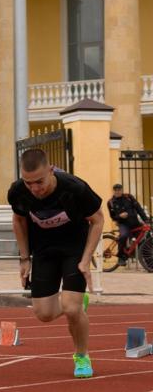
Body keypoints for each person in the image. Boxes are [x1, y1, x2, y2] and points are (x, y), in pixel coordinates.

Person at [8, 148, 103, 378]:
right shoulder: (18, 191)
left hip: (74, 249)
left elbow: (98, 219)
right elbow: (19, 220)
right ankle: (77, 304)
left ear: (51, 170)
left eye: (39, 182)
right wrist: (24, 259)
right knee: (44, 314)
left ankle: (81, 356)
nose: (35, 189)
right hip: (44, 251)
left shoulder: (74, 188)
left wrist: (86, 259)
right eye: (29, 183)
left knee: (71, 309)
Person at [107, 183, 150, 265]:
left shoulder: (129, 197)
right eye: (116, 190)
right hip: (123, 224)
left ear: (122, 190)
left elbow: (138, 208)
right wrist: (119, 216)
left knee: (144, 240)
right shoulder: (110, 202)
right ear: (113, 191)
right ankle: (120, 257)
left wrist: (146, 219)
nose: (117, 191)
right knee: (123, 236)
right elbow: (113, 217)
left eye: (119, 190)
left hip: (135, 223)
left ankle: (149, 263)